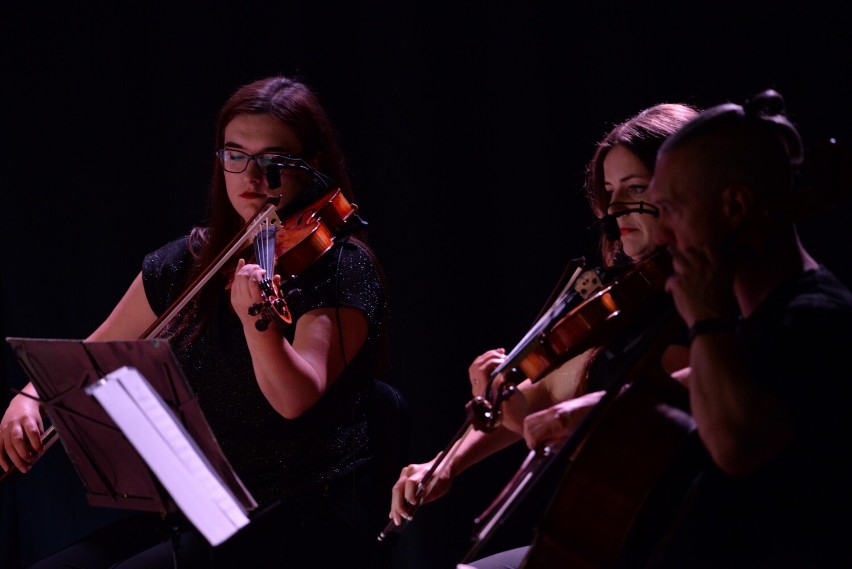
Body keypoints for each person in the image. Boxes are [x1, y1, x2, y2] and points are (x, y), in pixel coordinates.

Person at [0, 74, 397, 568]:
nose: (252, 178)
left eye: (273, 161)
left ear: (312, 166)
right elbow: (93, 356)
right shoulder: (187, 261)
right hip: (204, 507)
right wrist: (30, 396)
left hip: (299, 510)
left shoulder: (339, 268)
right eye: (235, 156)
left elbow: (294, 398)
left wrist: (260, 323)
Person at [388, 102, 701, 568]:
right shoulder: (621, 297)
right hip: (605, 532)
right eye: (609, 193)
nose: (614, 211)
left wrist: (556, 412)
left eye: (634, 189)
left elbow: (679, 394)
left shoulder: (708, 299)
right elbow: (541, 397)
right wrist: (448, 461)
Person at [645, 88, 852, 568]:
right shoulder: (760, 325)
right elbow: (695, 385)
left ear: (735, 208)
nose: (660, 235)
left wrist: (706, 319)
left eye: (671, 209)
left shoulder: (816, 319)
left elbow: (736, 444)